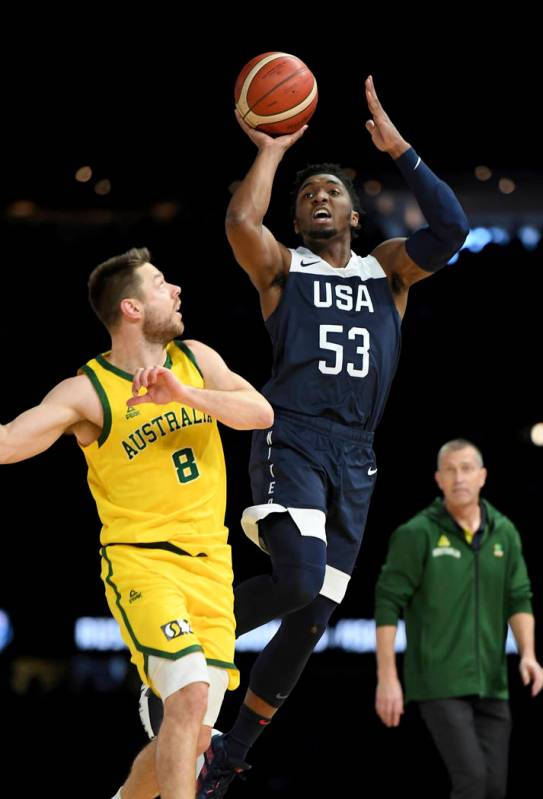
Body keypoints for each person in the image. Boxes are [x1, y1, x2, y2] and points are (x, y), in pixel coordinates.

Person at [186, 73, 470, 796]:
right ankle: (184, 645)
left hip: (358, 456)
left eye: (331, 192)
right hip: (297, 437)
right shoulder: (283, 268)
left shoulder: (389, 271)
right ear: (299, 215)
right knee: (297, 578)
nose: (318, 197)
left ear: (352, 213)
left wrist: (400, 148)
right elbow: (240, 225)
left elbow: (452, 231)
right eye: (307, 194)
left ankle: (230, 750)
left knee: (308, 619)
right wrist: (273, 151)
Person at [0, 247, 273, 799]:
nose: (176, 290)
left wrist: (185, 393)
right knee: (190, 693)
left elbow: (260, 414)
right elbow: (7, 443)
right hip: (143, 562)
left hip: (212, 567)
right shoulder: (88, 391)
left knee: (192, 736)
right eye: (160, 283)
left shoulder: (196, 358)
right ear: (130, 307)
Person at [375, 439, 543, 799]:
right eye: (450, 470)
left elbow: (520, 597)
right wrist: (387, 678)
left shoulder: (505, 532)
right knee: (473, 781)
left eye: (467, 468)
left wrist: (528, 654)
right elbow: (387, 604)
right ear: (438, 479)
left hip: (493, 680)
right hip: (438, 681)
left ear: (483, 476)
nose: (458, 477)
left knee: (494, 788)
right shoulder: (416, 533)